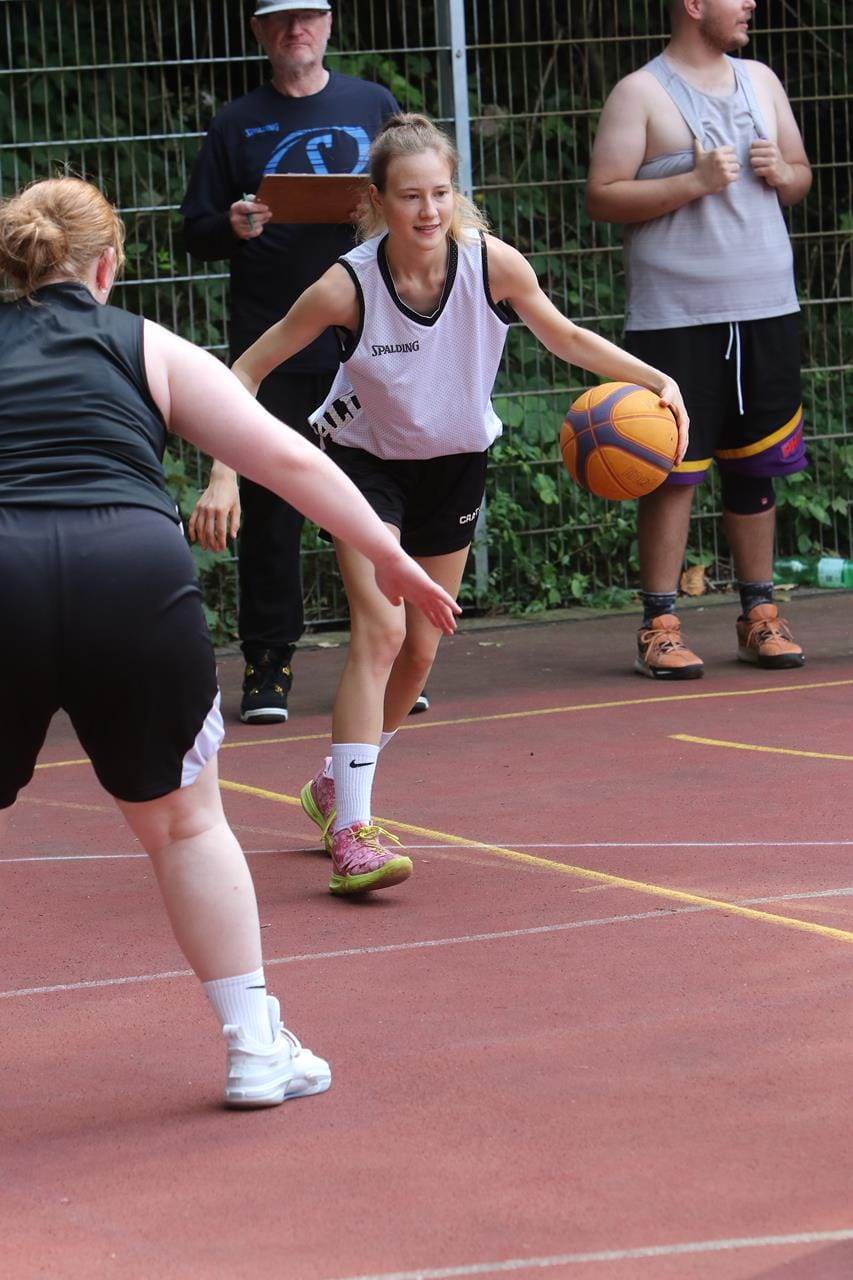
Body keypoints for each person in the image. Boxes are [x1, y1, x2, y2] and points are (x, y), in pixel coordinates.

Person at [0, 176, 459, 1106]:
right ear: (106, 267)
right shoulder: (144, 344)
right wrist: (389, 555)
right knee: (184, 825)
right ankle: (254, 1048)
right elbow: (286, 457)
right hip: (131, 566)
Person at [215, 113, 689, 898]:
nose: (429, 210)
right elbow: (244, 370)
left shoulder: (489, 264)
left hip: (454, 464)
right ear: (377, 201)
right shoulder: (346, 286)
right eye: (410, 196)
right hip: (363, 465)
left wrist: (655, 380)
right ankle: (353, 832)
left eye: (440, 193)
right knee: (380, 632)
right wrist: (222, 473)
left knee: (421, 650)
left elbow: (566, 337)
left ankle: (337, 784)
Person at [181, 0, 401, 725]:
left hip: (367, 340)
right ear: (259, 33)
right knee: (271, 510)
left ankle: (385, 653)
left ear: (330, 22)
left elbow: (416, 200)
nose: (294, 30)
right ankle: (268, 662)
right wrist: (233, 224)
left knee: (370, 505)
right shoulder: (235, 122)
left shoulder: (373, 104)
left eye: (306, 16)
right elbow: (195, 232)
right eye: (278, 20)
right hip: (269, 344)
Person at [586, 0, 812, 679]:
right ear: (692, 5)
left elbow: (800, 176)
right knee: (670, 471)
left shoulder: (762, 80)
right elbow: (602, 196)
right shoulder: (640, 93)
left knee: (757, 468)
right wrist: (692, 181)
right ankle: (658, 626)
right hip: (674, 317)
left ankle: (759, 615)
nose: (749, 4)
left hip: (766, 308)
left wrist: (784, 175)